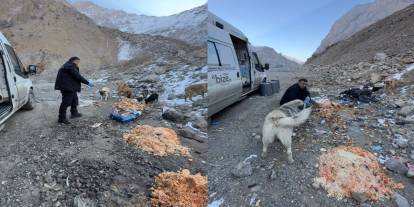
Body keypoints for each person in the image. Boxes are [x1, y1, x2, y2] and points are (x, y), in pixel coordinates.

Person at [54, 57, 93, 124]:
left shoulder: (68, 66)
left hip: (70, 87)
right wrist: (87, 82)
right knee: (66, 102)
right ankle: (61, 118)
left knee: (74, 100)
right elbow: (77, 76)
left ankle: (74, 113)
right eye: (78, 62)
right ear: (74, 61)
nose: (78, 64)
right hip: (67, 88)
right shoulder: (70, 66)